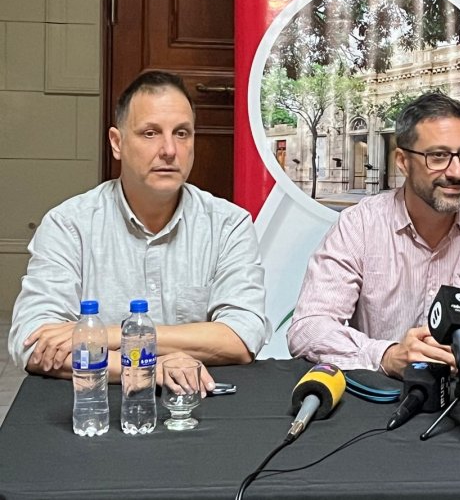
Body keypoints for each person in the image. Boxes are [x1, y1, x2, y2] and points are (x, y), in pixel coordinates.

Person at [9, 71, 270, 393]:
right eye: (150, 133)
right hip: (97, 406)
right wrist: (150, 366)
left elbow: (241, 337)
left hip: (198, 403)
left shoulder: (229, 225)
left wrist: (108, 335)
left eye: (182, 133)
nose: (169, 150)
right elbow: (34, 341)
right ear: (117, 143)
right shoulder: (69, 225)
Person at [288, 92, 460, 377]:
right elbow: (309, 326)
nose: (456, 172)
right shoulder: (359, 226)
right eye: (438, 156)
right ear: (403, 161)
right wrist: (387, 355)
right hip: (382, 395)